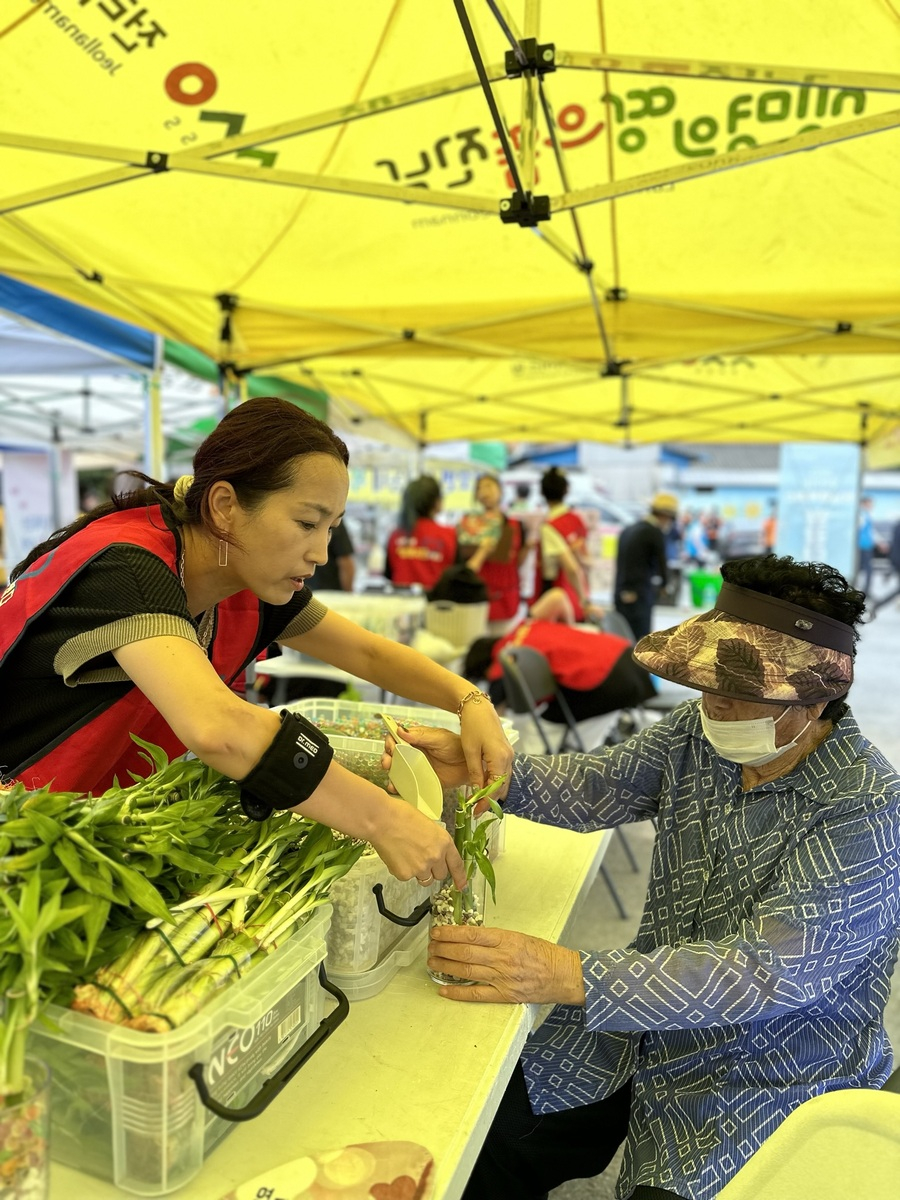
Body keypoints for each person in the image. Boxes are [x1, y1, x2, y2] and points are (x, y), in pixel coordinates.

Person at [387, 555, 900, 1200]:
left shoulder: (866, 806)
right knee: (480, 1137)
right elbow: (594, 787)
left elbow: (764, 973)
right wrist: (487, 773)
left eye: (742, 692)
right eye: (709, 684)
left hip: (768, 1072)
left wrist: (568, 973)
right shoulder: (699, 733)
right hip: (639, 1021)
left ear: (819, 698)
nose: (715, 704)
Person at [0, 397, 513, 893]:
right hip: (19, 832)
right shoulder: (127, 568)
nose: (320, 552)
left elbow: (367, 654)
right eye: (306, 523)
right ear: (224, 506)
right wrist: (382, 819)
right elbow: (219, 727)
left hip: (81, 835)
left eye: (332, 528)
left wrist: (470, 700)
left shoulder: (246, 579)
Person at [463, 609, 656, 725]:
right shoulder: (526, 625)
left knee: (551, 717)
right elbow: (558, 597)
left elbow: (491, 716)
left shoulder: (504, 657)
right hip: (632, 660)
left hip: (612, 680)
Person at [457, 473, 527, 631]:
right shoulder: (467, 524)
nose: (484, 492)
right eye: (479, 488)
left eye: (488, 486)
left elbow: (518, 560)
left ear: (501, 491)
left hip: (506, 600)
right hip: (476, 599)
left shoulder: (515, 525)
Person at [613, 492, 678, 641]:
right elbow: (662, 564)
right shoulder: (654, 532)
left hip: (619, 594)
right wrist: (664, 585)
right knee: (640, 644)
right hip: (639, 596)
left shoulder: (628, 529)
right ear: (666, 516)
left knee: (621, 640)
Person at [533, 467, 591, 622]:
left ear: (542, 493)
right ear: (566, 491)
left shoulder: (549, 526)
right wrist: (585, 598)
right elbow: (587, 561)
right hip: (581, 589)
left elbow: (571, 568)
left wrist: (583, 599)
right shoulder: (576, 519)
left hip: (558, 591)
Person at [385, 474, 456, 591]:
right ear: (437, 502)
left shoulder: (395, 536)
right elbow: (456, 576)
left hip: (400, 604)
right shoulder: (449, 535)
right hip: (436, 604)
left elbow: (388, 575)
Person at [857, 494, 876, 595]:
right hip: (863, 545)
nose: (871, 506)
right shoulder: (862, 515)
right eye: (870, 503)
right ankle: (866, 590)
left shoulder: (866, 514)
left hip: (866, 545)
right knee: (866, 568)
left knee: (863, 568)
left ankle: (865, 588)